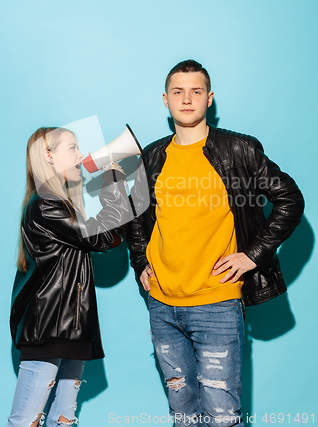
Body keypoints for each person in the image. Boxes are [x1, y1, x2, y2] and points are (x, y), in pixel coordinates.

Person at [126, 60, 304, 427]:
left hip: (216, 304)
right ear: (165, 100)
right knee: (183, 416)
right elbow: (136, 218)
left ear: (210, 98)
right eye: (178, 91)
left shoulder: (237, 150)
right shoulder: (150, 156)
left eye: (195, 91)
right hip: (162, 305)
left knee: (222, 419)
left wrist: (252, 256)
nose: (186, 99)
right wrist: (141, 262)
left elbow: (290, 200)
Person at [6, 126, 130, 427]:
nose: (80, 156)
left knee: (64, 420)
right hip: (50, 327)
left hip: (70, 327)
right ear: (49, 156)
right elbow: (104, 237)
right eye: (72, 148)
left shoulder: (58, 204)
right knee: (25, 421)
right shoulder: (47, 205)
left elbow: (105, 237)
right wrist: (112, 178)